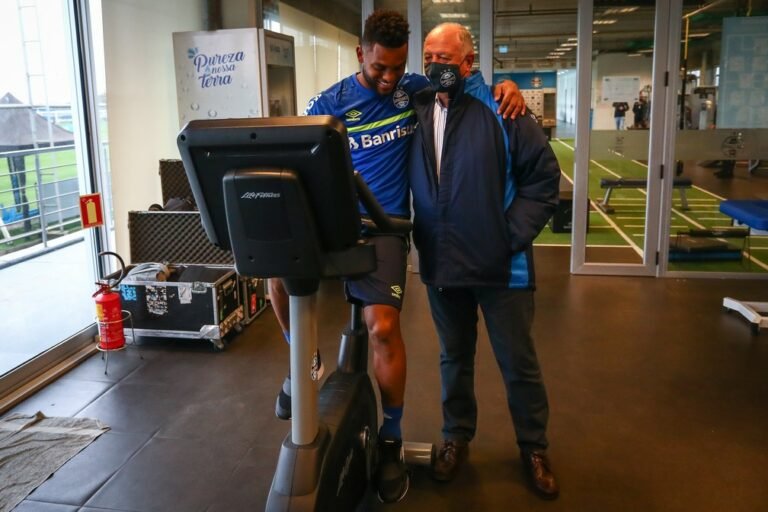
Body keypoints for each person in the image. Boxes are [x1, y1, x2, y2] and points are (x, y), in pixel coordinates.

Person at [267, 10, 526, 504]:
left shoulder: (415, 88)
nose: (388, 80)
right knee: (275, 273)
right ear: (361, 53)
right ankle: (305, 363)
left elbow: (467, 85)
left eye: (397, 68)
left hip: (384, 228)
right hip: (332, 224)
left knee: (383, 327)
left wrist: (507, 84)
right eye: (378, 68)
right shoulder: (331, 103)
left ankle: (391, 435)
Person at [407, 23, 561, 499]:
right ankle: (455, 439)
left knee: (518, 364)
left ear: (469, 62)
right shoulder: (415, 107)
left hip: (502, 268)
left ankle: (534, 448)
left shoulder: (504, 108)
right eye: (429, 56)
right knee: (454, 359)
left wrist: (506, 238)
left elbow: (543, 181)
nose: (436, 66)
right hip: (442, 262)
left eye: (446, 58)